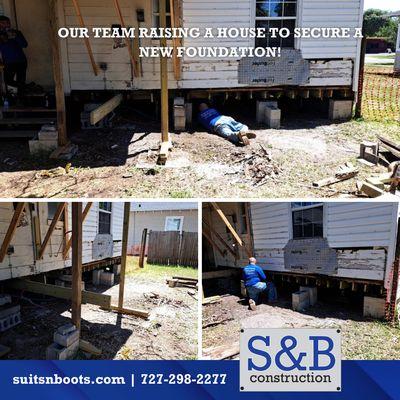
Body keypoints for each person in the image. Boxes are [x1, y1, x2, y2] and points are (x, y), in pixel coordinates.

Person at [0, 15, 28, 94]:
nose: (7, 25)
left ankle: (22, 100)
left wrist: (15, 36)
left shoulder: (17, 32)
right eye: (3, 23)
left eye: (8, 23)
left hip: (21, 61)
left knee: (21, 80)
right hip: (8, 62)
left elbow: (25, 45)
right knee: (7, 81)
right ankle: (26, 87)